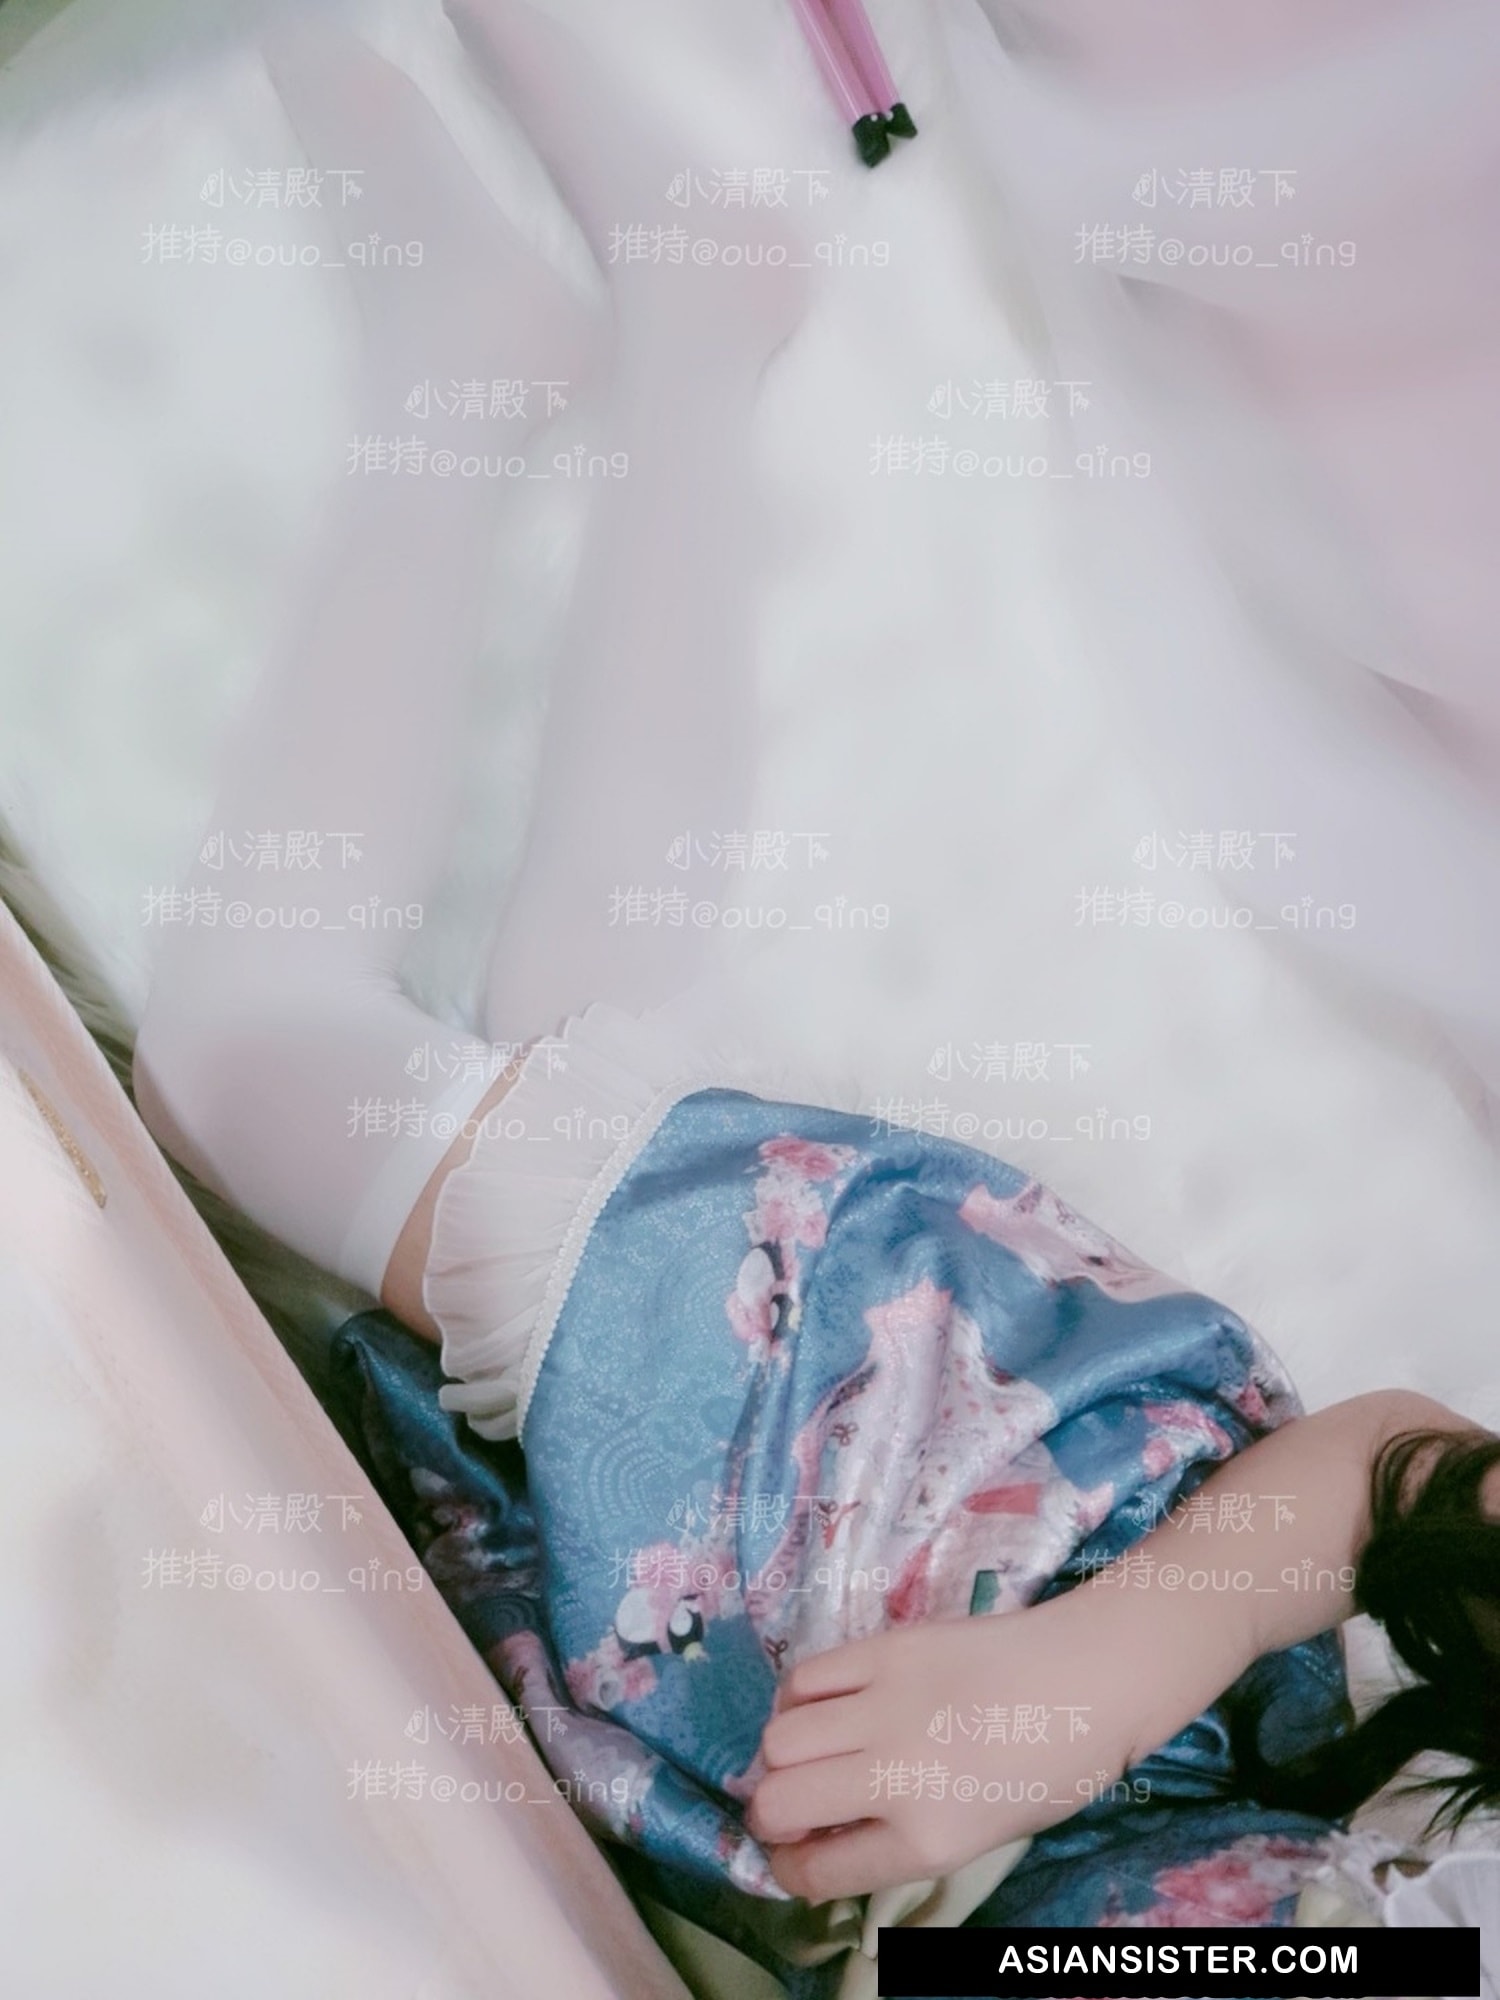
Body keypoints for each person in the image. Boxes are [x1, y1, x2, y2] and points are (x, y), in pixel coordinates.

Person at [131, 5, 1500, 1944]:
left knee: (562, 1055)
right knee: (240, 1055)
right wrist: (1077, 1689)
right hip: (985, 1549)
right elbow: (1405, 1478)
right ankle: (489, 341)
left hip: (888, 1744)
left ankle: (659, 322)